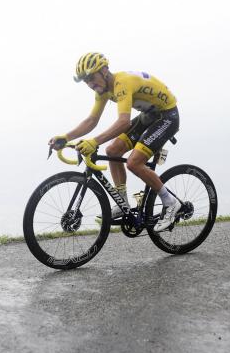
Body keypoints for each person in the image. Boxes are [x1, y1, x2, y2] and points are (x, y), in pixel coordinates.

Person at [48, 52, 180, 232]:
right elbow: (91, 121)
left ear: (104, 71)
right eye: (85, 81)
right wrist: (66, 137)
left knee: (134, 163)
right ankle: (123, 201)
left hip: (167, 116)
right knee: (112, 151)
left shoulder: (121, 83)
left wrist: (94, 142)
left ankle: (170, 202)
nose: (89, 84)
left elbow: (123, 121)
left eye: (91, 78)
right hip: (148, 116)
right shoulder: (102, 91)